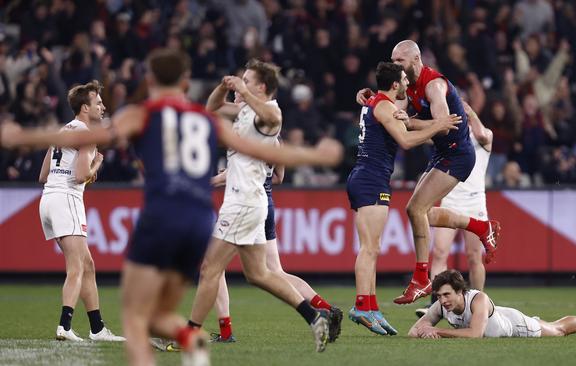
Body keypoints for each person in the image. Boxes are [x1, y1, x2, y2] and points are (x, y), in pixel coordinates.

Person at [1, 49, 342, 365]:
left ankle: (190, 334)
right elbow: (270, 154)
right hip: (199, 217)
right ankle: (204, 332)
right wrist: (316, 156)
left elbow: (84, 139)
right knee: (256, 274)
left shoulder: (144, 113)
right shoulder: (208, 120)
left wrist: (23, 137)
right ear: (184, 82)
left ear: (150, 81)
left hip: (166, 214)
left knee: (141, 313)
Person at [186, 59, 333, 353]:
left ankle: (189, 335)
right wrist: (223, 86)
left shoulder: (269, 112)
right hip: (248, 202)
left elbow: (271, 116)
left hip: (243, 202)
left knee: (209, 269)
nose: (242, 82)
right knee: (259, 275)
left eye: (248, 80)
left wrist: (243, 91)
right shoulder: (244, 111)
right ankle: (314, 317)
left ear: (261, 87)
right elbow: (210, 108)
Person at [357, 40, 500, 305]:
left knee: (415, 210)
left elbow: (444, 126)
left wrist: (410, 122)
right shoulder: (407, 84)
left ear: (415, 60)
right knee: (422, 212)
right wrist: (371, 96)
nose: (394, 65)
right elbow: (389, 106)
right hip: (442, 153)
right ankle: (482, 227)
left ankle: (422, 278)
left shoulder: (434, 84)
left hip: (458, 154)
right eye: (393, 60)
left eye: (399, 61)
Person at [347, 62, 461, 335]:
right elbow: (407, 141)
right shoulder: (384, 106)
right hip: (370, 178)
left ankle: (372, 308)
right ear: (395, 85)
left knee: (373, 247)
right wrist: (439, 125)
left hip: (369, 176)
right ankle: (362, 306)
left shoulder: (378, 101)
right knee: (369, 248)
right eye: (404, 81)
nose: (409, 85)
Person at [207, 164, 343, 344]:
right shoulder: (275, 142)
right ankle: (325, 309)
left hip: (245, 205)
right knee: (273, 272)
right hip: (266, 203)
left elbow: (238, 171)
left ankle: (222, 331)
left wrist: (209, 181)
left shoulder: (248, 138)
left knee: (214, 269)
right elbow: (278, 177)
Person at [38, 80, 124, 343]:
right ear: (85, 107)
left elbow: (43, 174)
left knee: (87, 265)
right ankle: (64, 325)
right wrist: (96, 163)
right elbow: (80, 176)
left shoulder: (63, 131)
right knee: (76, 267)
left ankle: (97, 328)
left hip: (48, 200)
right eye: (98, 103)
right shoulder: (87, 133)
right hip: (67, 199)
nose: (103, 106)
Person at [414, 102, 492, 318]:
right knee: (439, 252)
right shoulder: (451, 140)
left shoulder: (483, 136)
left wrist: (471, 112)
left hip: (475, 203)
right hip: (450, 201)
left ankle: (479, 303)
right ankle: (435, 305)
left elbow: (483, 136)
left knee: (474, 255)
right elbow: (428, 134)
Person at [408, 270, 576, 339]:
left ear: (460, 292)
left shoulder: (477, 299)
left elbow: (475, 335)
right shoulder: (441, 306)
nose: (442, 300)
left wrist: (435, 330)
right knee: (553, 326)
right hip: (498, 319)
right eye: (439, 295)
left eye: (447, 294)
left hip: (514, 325)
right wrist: (424, 330)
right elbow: (412, 333)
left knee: (557, 330)